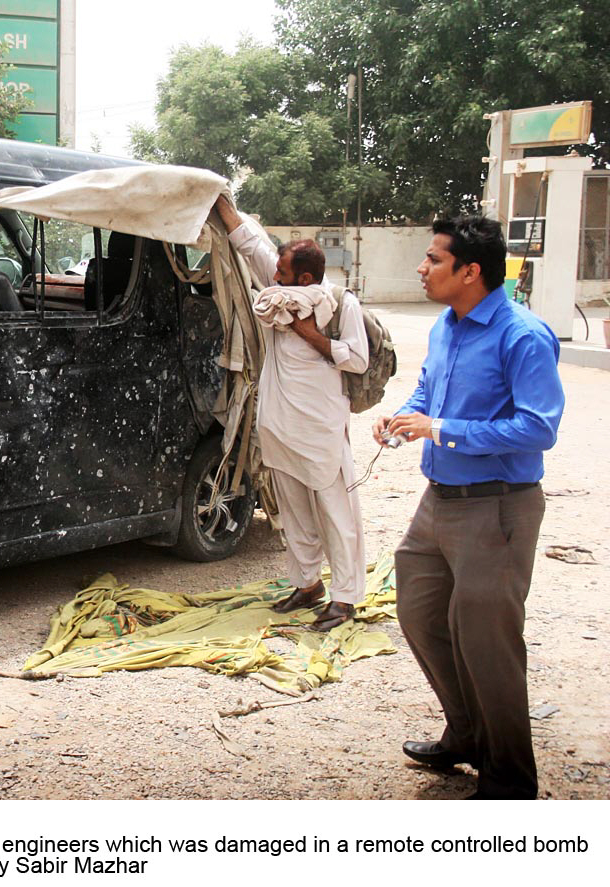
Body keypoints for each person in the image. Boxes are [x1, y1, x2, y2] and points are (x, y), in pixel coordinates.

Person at [374, 215, 564, 800]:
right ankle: (466, 734)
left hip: (497, 507)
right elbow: (431, 391)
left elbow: (538, 427)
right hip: (439, 503)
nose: (422, 267)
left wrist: (443, 430)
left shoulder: (522, 335)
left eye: (434, 259)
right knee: (422, 613)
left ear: (471, 271)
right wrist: (407, 419)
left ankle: (509, 779)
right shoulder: (446, 326)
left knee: (488, 642)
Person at [212, 195, 369, 631]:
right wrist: (218, 196)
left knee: (336, 514)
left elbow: (357, 360)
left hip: (320, 430)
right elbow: (246, 242)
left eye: (281, 274)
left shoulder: (341, 304)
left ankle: (345, 597)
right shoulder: (279, 294)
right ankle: (307, 584)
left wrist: (309, 334)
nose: (272, 278)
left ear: (303, 277)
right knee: (295, 512)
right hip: (280, 427)